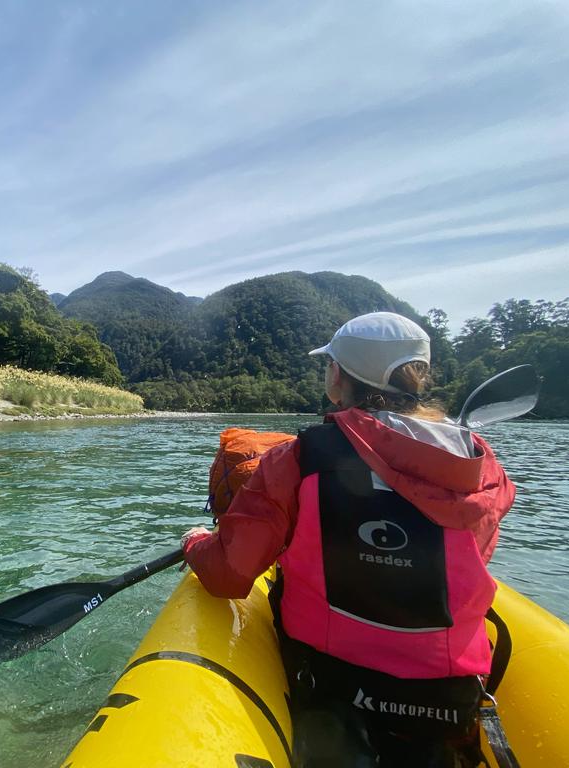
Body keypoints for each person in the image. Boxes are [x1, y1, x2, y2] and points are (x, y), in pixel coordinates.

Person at [181, 312, 515, 768]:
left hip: (330, 688)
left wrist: (196, 542)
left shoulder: (296, 459)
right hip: (447, 698)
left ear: (337, 376)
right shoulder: (481, 466)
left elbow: (227, 575)